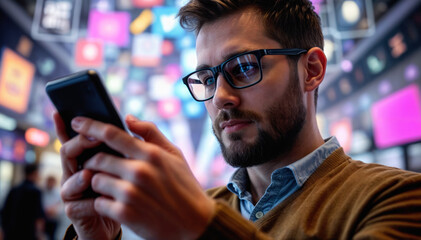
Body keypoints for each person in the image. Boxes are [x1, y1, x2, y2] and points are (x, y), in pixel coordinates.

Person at [55, 0, 421, 239]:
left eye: (244, 68)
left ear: (311, 70)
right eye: (207, 78)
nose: (220, 97)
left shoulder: (395, 198)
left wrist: (198, 225)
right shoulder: (198, 206)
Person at [0, 164, 45, 240]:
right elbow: (39, 216)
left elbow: (4, 211)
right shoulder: (35, 191)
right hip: (27, 232)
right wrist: (40, 233)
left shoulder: (14, 189)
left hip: (11, 231)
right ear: (35, 173)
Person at [42, 175, 62, 240]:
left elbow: (59, 205)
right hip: (44, 219)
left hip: (53, 219)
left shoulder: (57, 193)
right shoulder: (42, 192)